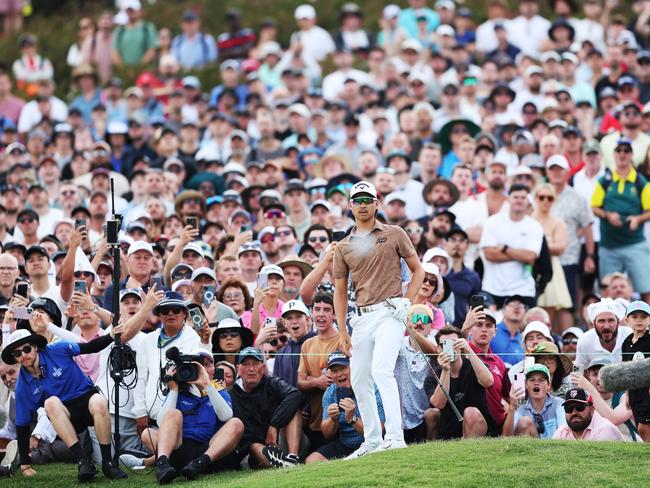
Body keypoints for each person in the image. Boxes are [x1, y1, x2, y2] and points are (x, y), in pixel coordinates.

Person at [333, 181, 424, 456]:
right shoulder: (344, 246)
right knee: (360, 379)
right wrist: (342, 331)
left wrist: (406, 302)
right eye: (357, 200)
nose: (362, 204)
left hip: (390, 313)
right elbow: (339, 290)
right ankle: (372, 441)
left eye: (367, 199)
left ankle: (396, 438)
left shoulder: (394, 233)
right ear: (350, 206)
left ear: (377, 203)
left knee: (382, 370)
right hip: (361, 318)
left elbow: (418, 270)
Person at [2, 329, 127, 480]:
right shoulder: (22, 385)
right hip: (65, 416)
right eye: (17, 353)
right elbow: (21, 426)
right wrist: (25, 465)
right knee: (50, 402)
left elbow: (90, 348)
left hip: (87, 400)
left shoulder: (58, 348)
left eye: (26, 349)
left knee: (99, 400)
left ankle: (108, 463)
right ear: (15, 358)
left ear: (35, 346)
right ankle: (84, 462)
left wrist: (112, 336)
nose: (23, 355)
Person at [151, 349, 243, 484]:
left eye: (207, 365)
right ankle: (162, 464)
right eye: (198, 365)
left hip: (207, 452)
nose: (203, 369)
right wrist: (174, 390)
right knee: (170, 415)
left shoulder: (219, 390)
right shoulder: (180, 391)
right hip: (181, 448)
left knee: (236, 423)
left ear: (213, 369)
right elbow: (161, 422)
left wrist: (207, 385)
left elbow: (226, 416)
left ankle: (199, 464)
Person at [591, 137, 650, 303]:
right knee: (607, 289)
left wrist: (638, 219)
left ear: (631, 155)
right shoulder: (605, 181)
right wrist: (608, 215)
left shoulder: (640, 182)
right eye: (619, 150)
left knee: (646, 288)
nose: (622, 154)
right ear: (614, 154)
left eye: (626, 151)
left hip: (634, 243)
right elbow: (595, 207)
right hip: (609, 245)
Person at [229, 347, 305, 468]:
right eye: (246, 364)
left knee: (293, 410)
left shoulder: (272, 383)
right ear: (238, 369)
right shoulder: (231, 394)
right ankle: (280, 465)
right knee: (254, 446)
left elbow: (295, 394)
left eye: (255, 363)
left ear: (263, 367)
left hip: (279, 441)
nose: (251, 369)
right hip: (251, 453)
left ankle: (292, 458)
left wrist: (274, 425)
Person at [305, 351, 385, 463]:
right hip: (345, 443)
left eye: (343, 368)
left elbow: (380, 429)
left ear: (353, 367)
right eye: (334, 371)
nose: (339, 374)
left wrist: (352, 419)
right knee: (312, 460)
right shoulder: (330, 392)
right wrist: (333, 419)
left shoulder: (371, 387)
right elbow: (327, 434)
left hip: (371, 442)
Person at [480, 184, 544, 308]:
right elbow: (489, 254)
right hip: (492, 288)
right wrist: (519, 254)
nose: (519, 200)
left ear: (528, 201)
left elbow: (530, 257)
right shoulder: (492, 222)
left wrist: (505, 248)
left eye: (523, 197)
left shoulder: (534, 226)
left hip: (523, 290)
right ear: (508, 199)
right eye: (516, 197)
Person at [429, 325, 496, 439]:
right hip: (448, 431)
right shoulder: (435, 374)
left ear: (460, 345)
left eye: (454, 343)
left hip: (478, 427)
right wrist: (446, 370)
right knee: (430, 414)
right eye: (444, 345)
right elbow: (438, 404)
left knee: (470, 412)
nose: (450, 348)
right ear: (438, 349)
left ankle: (470, 453)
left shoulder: (473, 366)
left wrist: (469, 350)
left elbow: (489, 382)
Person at [296, 292, 340, 449]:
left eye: (327, 310)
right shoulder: (307, 344)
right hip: (315, 421)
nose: (321, 314)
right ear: (311, 313)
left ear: (335, 314)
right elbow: (300, 381)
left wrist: (311, 379)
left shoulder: (343, 340)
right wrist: (316, 381)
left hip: (340, 419)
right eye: (317, 309)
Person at [394, 304, 438, 443]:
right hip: (400, 416)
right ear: (407, 321)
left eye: (424, 319)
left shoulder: (435, 346)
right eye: (415, 318)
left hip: (426, 416)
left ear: (431, 325)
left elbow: (436, 354)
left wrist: (413, 332)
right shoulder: (398, 343)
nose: (419, 322)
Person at [503, 364, 566, 439]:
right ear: (526, 385)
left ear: (548, 385)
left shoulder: (559, 403)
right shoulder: (521, 410)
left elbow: (564, 432)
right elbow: (505, 438)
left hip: (556, 448)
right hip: (531, 450)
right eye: (532, 380)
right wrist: (512, 406)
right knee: (525, 421)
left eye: (541, 380)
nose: (536, 383)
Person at [621, 300, 650, 440]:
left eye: (644, 317)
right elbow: (626, 369)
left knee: (644, 427)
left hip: (647, 391)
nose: (639, 320)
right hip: (634, 393)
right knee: (640, 425)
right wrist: (627, 393)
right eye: (634, 317)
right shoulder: (626, 343)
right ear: (627, 320)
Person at [575, 298, 632, 369]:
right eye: (601, 321)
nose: (606, 326)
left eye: (611, 320)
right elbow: (577, 371)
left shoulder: (631, 336)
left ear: (618, 322)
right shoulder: (584, 340)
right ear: (594, 324)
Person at [552, 388, 625, 441]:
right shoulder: (561, 432)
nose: (574, 413)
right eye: (569, 408)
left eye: (579, 407)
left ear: (592, 409)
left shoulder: (605, 430)